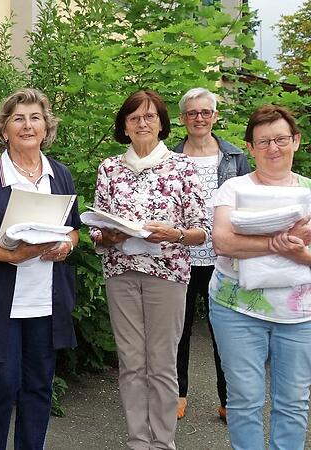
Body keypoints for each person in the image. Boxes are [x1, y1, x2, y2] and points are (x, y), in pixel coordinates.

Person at [0, 89, 80, 450]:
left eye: (35, 117)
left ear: (46, 127)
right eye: (18, 118)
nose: (28, 125)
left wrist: (66, 245)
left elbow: (72, 227)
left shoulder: (60, 175)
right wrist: (8, 256)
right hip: (1, 303)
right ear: (4, 129)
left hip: (46, 300)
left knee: (40, 386)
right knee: (4, 385)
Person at [90, 90, 210, 450]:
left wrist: (174, 233)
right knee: (130, 362)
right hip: (121, 273)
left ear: (161, 124)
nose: (142, 123)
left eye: (150, 117)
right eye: (134, 118)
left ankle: (162, 442)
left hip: (168, 274)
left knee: (161, 362)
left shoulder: (182, 167)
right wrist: (106, 234)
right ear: (124, 127)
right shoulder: (110, 168)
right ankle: (137, 441)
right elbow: (96, 229)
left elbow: (201, 228)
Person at [209, 105, 311, 450]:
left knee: (294, 402)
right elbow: (223, 242)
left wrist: (299, 254)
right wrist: (277, 243)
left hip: (300, 316)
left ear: (296, 141)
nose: (273, 148)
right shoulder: (232, 190)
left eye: (281, 139)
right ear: (249, 148)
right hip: (236, 310)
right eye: (263, 141)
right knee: (244, 400)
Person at [171, 87, 250, 421]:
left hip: (223, 258)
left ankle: (228, 399)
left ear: (215, 116)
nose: (199, 118)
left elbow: (249, 204)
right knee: (178, 329)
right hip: (182, 255)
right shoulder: (170, 158)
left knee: (225, 330)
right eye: (192, 113)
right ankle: (177, 394)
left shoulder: (233, 158)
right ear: (182, 118)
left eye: (205, 112)